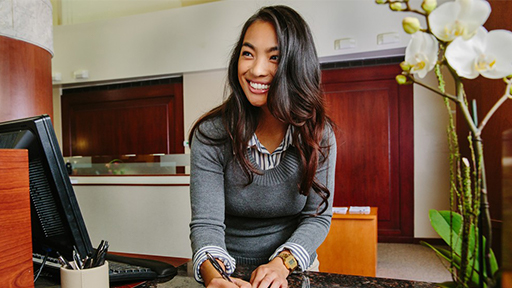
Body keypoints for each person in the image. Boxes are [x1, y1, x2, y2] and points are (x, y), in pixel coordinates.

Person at [188, 5, 337, 288]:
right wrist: (216, 279)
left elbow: (317, 218)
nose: (256, 69)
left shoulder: (319, 135)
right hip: (222, 265)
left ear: (297, 64)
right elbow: (206, 226)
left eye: (275, 57)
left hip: (291, 264)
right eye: (248, 53)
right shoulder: (211, 134)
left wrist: (280, 266)